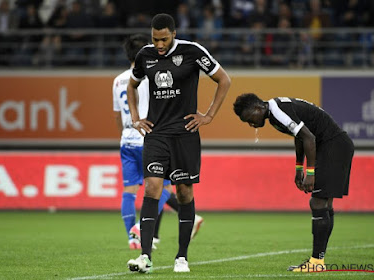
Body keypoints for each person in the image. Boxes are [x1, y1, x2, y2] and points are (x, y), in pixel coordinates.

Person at [126, 13, 231, 273]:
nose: (159, 45)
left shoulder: (192, 51)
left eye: (163, 39)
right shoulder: (144, 55)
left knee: (184, 192)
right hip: (157, 134)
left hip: (185, 134)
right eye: (155, 39)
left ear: (173, 33)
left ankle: (181, 257)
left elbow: (224, 80)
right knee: (152, 187)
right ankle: (145, 257)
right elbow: (132, 85)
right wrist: (136, 118)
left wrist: (208, 116)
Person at [233, 93, 354, 273]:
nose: (251, 124)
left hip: (333, 145)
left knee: (318, 202)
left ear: (258, 108)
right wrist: (299, 167)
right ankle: (318, 260)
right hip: (334, 145)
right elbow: (300, 136)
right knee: (324, 203)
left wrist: (310, 173)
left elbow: (309, 138)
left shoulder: (277, 111)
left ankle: (316, 262)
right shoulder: (275, 111)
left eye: (250, 119)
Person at [113, 34, 204, 251]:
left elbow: (117, 114)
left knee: (130, 190)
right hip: (151, 135)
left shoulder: (117, 80)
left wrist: (127, 130)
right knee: (160, 186)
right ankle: (142, 228)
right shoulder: (149, 75)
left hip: (127, 138)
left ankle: (133, 236)